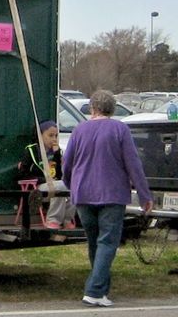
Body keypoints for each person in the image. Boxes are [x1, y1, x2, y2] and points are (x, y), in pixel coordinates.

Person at [63, 90, 153, 308]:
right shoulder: (120, 129)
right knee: (107, 242)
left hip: (83, 194)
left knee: (95, 242)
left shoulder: (79, 130)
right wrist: (144, 195)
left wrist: (70, 184)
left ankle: (101, 290)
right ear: (112, 109)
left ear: (92, 108)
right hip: (112, 194)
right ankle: (94, 290)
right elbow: (133, 164)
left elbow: (67, 163)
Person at [17, 120, 76, 229]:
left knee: (74, 185)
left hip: (55, 184)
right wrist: (44, 180)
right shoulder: (32, 151)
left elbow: (59, 174)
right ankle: (53, 220)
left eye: (56, 136)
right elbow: (22, 175)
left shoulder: (56, 152)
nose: (54, 139)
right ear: (40, 135)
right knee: (61, 185)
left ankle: (67, 219)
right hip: (37, 187)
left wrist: (57, 155)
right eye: (50, 135)